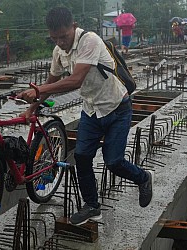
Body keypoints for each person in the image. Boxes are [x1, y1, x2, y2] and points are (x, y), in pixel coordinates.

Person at [17, 7, 152, 225]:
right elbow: (51, 83)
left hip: (117, 108)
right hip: (91, 110)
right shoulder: (58, 51)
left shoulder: (90, 41)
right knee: (81, 157)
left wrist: (38, 90)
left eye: (64, 36)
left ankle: (143, 178)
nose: (60, 42)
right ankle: (92, 206)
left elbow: (76, 79)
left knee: (114, 161)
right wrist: (33, 107)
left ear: (74, 26)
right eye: (55, 38)